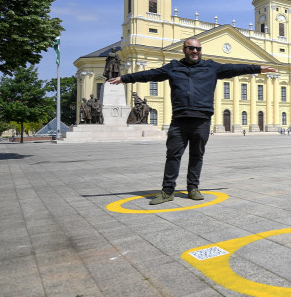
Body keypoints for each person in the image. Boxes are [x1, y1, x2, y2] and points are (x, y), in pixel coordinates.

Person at [109, 38, 277, 205]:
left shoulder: (211, 67)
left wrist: (258, 68)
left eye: (198, 49)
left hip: (202, 120)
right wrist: (125, 79)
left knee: (197, 155)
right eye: (191, 48)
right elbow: (150, 74)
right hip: (179, 121)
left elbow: (234, 69)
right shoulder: (174, 67)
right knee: (173, 156)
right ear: (184, 50)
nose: (195, 51)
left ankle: (193, 188)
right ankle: (167, 191)